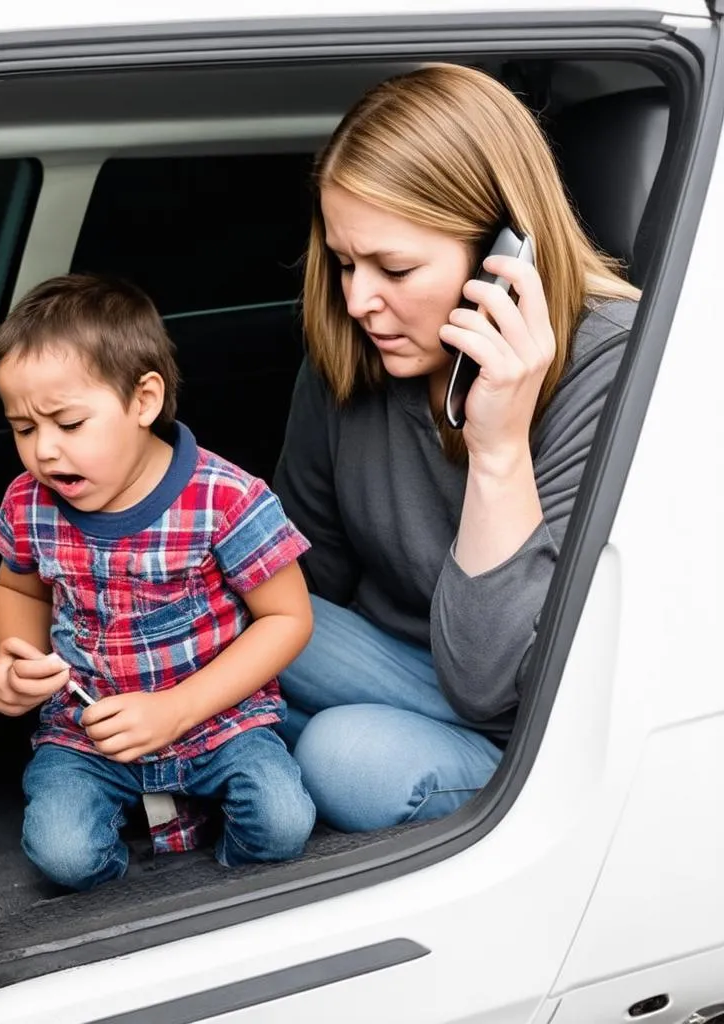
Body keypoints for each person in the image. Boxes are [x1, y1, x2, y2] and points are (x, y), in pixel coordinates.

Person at [273, 63, 640, 833]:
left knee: (346, 755)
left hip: (525, 715)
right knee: (243, 610)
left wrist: (499, 445)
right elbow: (306, 579)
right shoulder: (355, 346)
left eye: (394, 268)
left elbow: (491, 682)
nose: (356, 300)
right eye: (344, 262)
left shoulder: (615, 365)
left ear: (502, 257)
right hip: (394, 668)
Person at [0, 273, 316, 891]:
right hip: (87, 730)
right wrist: (14, 656)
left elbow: (288, 618)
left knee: (280, 823)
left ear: (144, 401)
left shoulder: (226, 498)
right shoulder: (31, 502)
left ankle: (223, 888)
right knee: (61, 855)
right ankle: (128, 893)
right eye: (24, 429)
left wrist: (176, 710)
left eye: (68, 423)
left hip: (220, 722)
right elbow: (17, 589)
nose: (44, 452)